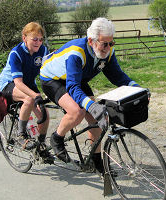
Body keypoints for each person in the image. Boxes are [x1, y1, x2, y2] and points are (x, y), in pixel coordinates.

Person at [40, 17, 140, 174]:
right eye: (104, 43)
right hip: (53, 80)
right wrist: (90, 105)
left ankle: (96, 161)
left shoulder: (107, 52)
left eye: (111, 43)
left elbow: (117, 76)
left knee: (95, 118)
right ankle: (57, 137)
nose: (108, 47)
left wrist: (137, 88)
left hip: (76, 79)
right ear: (91, 40)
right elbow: (72, 87)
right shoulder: (76, 53)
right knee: (77, 111)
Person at [0, 22, 50, 151]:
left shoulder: (43, 50)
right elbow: (18, 83)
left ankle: (41, 145)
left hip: (28, 83)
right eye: (34, 39)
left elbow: (48, 73)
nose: (38, 42)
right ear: (24, 38)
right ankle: (21, 135)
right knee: (29, 99)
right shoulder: (16, 53)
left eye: (40, 39)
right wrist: (36, 95)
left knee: (45, 115)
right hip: (10, 83)